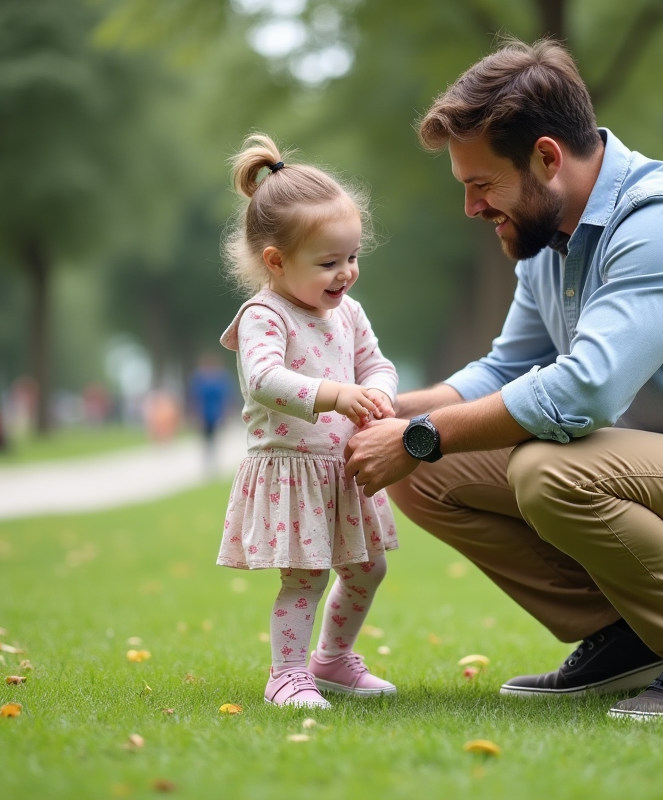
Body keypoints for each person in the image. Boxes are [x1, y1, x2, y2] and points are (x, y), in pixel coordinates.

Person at [343, 39, 663, 718]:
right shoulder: (548, 240)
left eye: (481, 184)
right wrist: (382, 411)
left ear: (547, 158)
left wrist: (419, 436)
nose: (471, 207)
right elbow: (504, 370)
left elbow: (585, 393)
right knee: (427, 471)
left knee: (544, 470)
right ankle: (633, 637)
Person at [217, 134, 400, 709]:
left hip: (342, 469)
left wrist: (378, 393)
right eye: (328, 263)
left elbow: (377, 363)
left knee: (368, 568)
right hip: (292, 470)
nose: (346, 273)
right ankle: (287, 673)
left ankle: (334, 659)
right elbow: (263, 379)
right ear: (276, 261)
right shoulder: (265, 314)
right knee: (305, 576)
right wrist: (336, 394)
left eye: (352, 257)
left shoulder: (348, 312)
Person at [189, 352, 232, 472]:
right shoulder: (199, 379)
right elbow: (195, 398)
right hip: (204, 414)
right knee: (206, 438)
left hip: (217, 413)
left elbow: (225, 397)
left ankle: (214, 462)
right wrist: (195, 414)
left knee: (215, 438)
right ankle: (207, 461)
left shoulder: (220, 378)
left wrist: (226, 412)